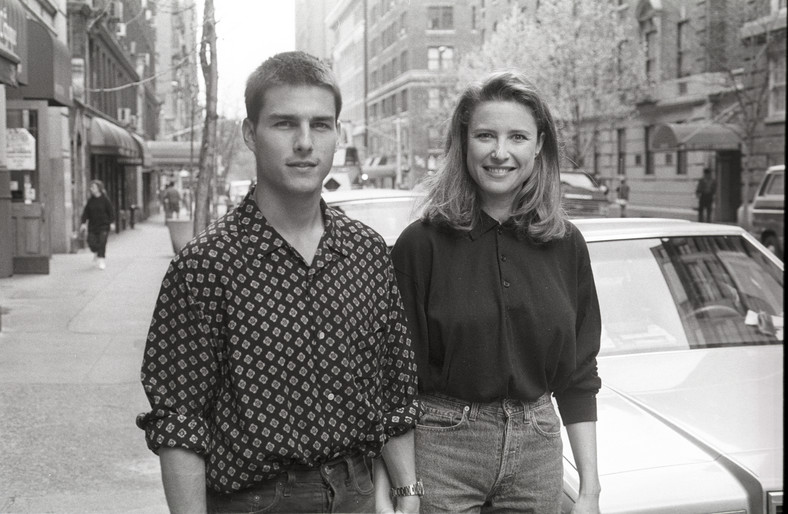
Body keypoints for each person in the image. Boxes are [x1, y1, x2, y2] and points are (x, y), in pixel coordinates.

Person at [136, 51, 420, 514]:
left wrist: (407, 489)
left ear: (337, 133)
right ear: (250, 133)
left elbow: (394, 386)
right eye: (285, 124)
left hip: (359, 492)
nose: (305, 142)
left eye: (321, 125)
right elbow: (179, 421)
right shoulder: (206, 265)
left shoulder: (366, 252)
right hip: (257, 500)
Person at [389, 71, 602, 513]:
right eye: (485, 135)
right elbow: (394, 382)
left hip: (539, 447)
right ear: (463, 142)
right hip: (443, 447)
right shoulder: (420, 245)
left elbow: (579, 373)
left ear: (539, 145)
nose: (500, 153)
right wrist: (403, 488)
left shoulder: (566, 243)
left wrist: (589, 491)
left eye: (518, 137)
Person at [80, 179, 114, 270]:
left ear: (99, 188)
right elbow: (85, 213)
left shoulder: (105, 199)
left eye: (93, 187)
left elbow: (111, 211)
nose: (91, 189)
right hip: (93, 226)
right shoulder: (91, 201)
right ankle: (96, 252)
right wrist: (83, 223)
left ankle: (101, 260)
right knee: (91, 242)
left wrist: (112, 223)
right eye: (91, 187)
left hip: (104, 225)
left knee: (102, 242)